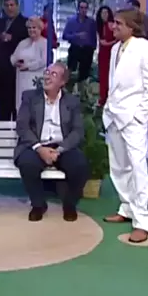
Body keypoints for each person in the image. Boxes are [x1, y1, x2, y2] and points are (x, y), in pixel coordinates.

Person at [103, 8, 148, 243]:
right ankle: (126, 207)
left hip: (133, 118)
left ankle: (142, 221)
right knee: (118, 166)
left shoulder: (146, 49)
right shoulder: (115, 48)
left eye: (118, 23)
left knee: (137, 168)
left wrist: (139, 116)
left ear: (132, 27)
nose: (113, 27)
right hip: (114, 115)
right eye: (114, 22)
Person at [14, 62, 89, 221]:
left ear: (62, 82)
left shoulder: (72, 102)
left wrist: (59, 150)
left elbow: (78, 131)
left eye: (53, 74)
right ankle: (38, 205)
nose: (47, 77)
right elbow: (22, 126)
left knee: (80, 166)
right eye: (47, 72)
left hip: (62, 147)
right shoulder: (30, 97)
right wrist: (39, 148)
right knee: (27, 164)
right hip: (36, 145)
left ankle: (69, 204)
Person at [0, 0, 28, 121]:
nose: (9, 8)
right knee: (2, 108)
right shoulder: (0, 23)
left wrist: (11, 38)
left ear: (17, 6)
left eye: (12, 5)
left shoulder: (25, 23)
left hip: (16, 71)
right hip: (0, 71)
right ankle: (3, 131)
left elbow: (26, 42)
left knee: (16, 106)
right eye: (7, 5)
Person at [10, 16, 47, 111]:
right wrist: (16, 62)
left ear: (40, 28)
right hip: (21, 79)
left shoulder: (44, 43)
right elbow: (13, 57)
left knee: (34, 105)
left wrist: (27, 66)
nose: (31, 30)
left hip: (35, 78)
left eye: (34, 27)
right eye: (29, 28)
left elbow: (43, 61)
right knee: (21, 104)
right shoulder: (23, 43)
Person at [62, 0, 97, 83]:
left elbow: (94, 37)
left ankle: (82, 88)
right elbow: (64, 36)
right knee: (70, 69)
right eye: (81, 7)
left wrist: (93, 48)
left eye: (85, 8)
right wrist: (76, 36)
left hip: (87, 50)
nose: (83, 10)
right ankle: (65, 86)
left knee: (84, 74)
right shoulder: (71, 21)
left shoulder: (91, 22)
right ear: (78, 8)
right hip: (75, 48)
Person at [96, 6, 116, 106]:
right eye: (102, 13)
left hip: (112, 53)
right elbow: (102, 42)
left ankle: (111, 98)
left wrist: (113, 43)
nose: (104, 15)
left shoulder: (112, 25)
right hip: (103, 54)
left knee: (112, 75)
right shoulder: (99, 27)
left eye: (106, 13)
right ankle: (103, 98)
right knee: (103, 77)